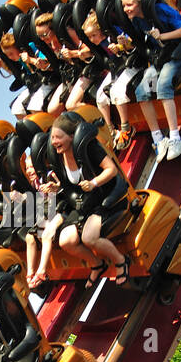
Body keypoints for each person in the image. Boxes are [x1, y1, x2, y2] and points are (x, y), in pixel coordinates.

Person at [50, 113, 130, 285]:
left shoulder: (89, 147)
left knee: (89, 238)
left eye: (58, 137)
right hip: (83, 203)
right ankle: (97, 264)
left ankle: (120, 260)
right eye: (52, 137)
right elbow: (71, 185)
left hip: (105, 197)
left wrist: (94, 183)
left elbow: (111, 170)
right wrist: (56, 188)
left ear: (71, 137)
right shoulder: (58, 156)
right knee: (66, 241)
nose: (53, 141)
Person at [124, 0, 181, 161]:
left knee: (163, 85)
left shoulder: (161, 10)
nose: (126, 9)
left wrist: (162, 36)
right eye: (124, 6)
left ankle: (175, 138)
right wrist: (125, 44)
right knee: (141, 91)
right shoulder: (138, 21)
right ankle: (158, 139)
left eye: (129, 5)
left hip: (180, 53)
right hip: (162, 58)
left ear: (140, 2)